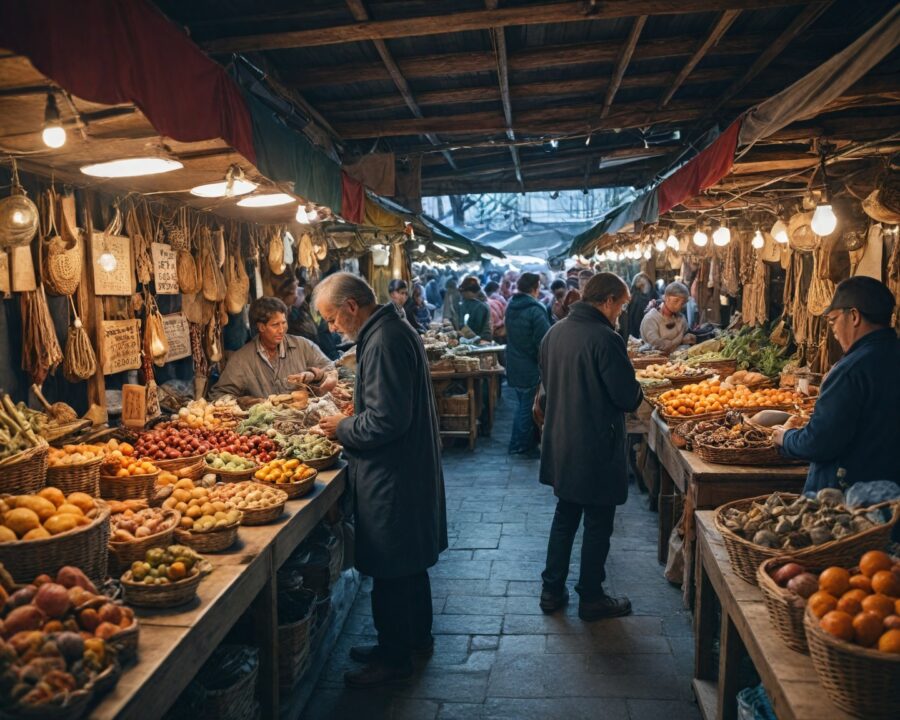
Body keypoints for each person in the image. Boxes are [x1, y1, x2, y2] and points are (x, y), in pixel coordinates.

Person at [314, 273, 447, 686]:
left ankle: (393, 658)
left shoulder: (385, 339)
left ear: (351, 306)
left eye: (332, 318)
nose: (332, 327)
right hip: (403, 469)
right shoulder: (388, 330)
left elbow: (385, 420)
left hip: (392, 475)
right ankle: (413, 639)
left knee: (391, 567)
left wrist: (343, 426)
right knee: (408, 565)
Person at [535, 273, 643, 620]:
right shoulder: (604, 338)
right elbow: (627, 397)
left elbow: (548, 389)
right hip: (596, 446)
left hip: (562, 442)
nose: (621, 314)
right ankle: (591, 596)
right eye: (621, 306)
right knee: (598, 523)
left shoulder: (554, 333)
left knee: (565, 516)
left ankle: (551, 590)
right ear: (608, 300)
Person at [774, 277, 900, 492]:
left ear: (854, 316)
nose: (832, 329)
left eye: (832, 320)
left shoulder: (850, 370)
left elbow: (820, 443)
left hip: (849, 503)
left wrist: (785, 438)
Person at [210, 297, 337, 404]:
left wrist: (313, 375)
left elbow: (331, 369)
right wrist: (245, 402)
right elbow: (219, 395)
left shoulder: (303, 345)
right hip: (262, 428)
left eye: (284, 323)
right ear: (261, 327)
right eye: (275, 325)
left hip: (302, 420)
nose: (282, 330)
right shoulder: (241, 359)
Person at [505, 273, 551, 455]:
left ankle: (519, 443)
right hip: (529, 366)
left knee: (522, 404)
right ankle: (520, 445)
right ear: (536, 287)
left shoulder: (511, 306)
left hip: (514, 363)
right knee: (526, 407)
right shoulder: (536, 309)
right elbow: (543, 341)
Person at [640, 281, 696, 353]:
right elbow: (658, 345)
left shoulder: (681, 318)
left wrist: (689, 338)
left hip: (678, 361)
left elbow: (686, 337)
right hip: (655, 361)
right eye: (676, 301)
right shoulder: (651, 319)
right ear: (666, 298)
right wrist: (681, 340)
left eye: (682, 303)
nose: (679, 306)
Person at [622, 272, 656, 340]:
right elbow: (636, 320)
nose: (647, 287)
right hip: (637, 332)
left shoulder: (634, 296)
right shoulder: (637, 298)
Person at [458, 276, 492, 341]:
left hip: (481, 340)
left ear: (469, 292)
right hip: (476, 339)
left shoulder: (480, 306)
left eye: (463, 292)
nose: (462, 295)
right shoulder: (470, 302)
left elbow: (476, 326)